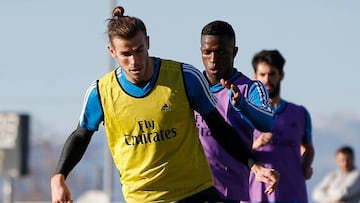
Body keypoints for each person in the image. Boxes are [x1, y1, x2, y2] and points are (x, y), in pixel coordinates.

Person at [50, 6, 280, 203]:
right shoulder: (101, 92)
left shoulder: (184, 77)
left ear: (148, 43)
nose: (135, 61)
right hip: (142, 197)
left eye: (139, 50)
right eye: (126, 54)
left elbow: (219, 127)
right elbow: (81, 135)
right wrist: (59, 176)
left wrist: (253, 165)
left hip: (194, 192)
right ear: (112, 52)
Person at [195, 20, 276, 202]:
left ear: (235, 52)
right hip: (192, 191)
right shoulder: (191, 87)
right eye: (207, 52)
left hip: (230, 194)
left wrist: (243, 105)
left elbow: (268, 122)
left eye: (221, 52)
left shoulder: (249, 88)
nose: (213, 60)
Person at [244, 49, 315, 202]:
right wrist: (256, 144)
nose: (267, 79)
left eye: (272, 74)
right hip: (255, 194)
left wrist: (307, 165)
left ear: (281, 75)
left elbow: (308, 147)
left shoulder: (299, 113)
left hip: (292, 193)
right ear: (255, 76)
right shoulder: (245, 112)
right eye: (262, 75)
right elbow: (233, 150)